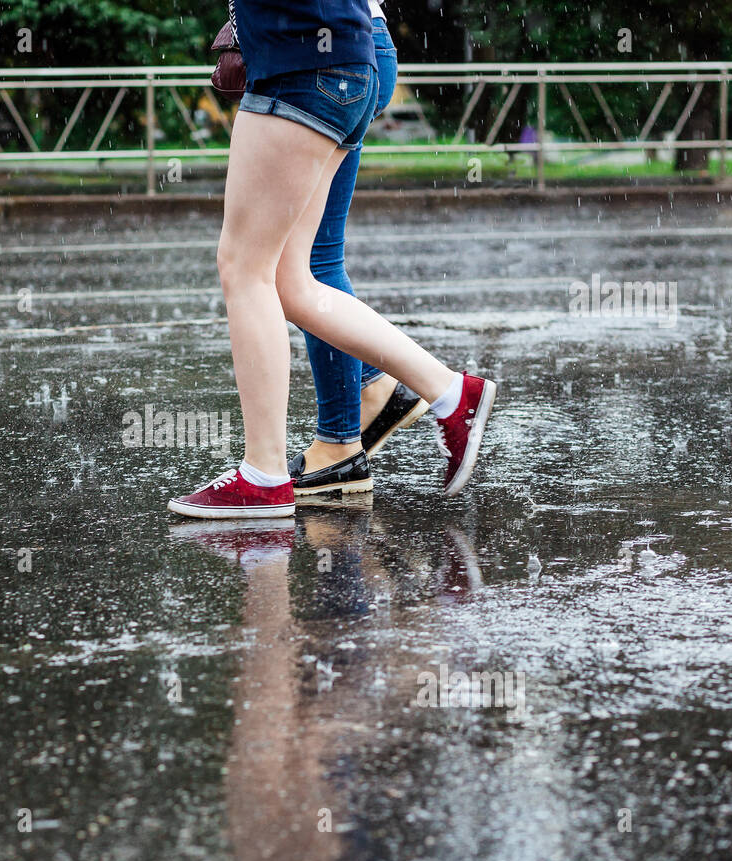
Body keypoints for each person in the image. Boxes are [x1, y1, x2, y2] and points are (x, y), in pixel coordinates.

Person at [168, 0, 497, 519]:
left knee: (245, 269)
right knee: (291, 281)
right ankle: (450, 393)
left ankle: (263, 477)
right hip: (335, 59)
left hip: (300, 62)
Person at [291, 0, 430, 496]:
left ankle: (345, 437)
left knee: (307, 266)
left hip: (321, 52)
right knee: (315, 259)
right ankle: (371, 392)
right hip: (355, 45)